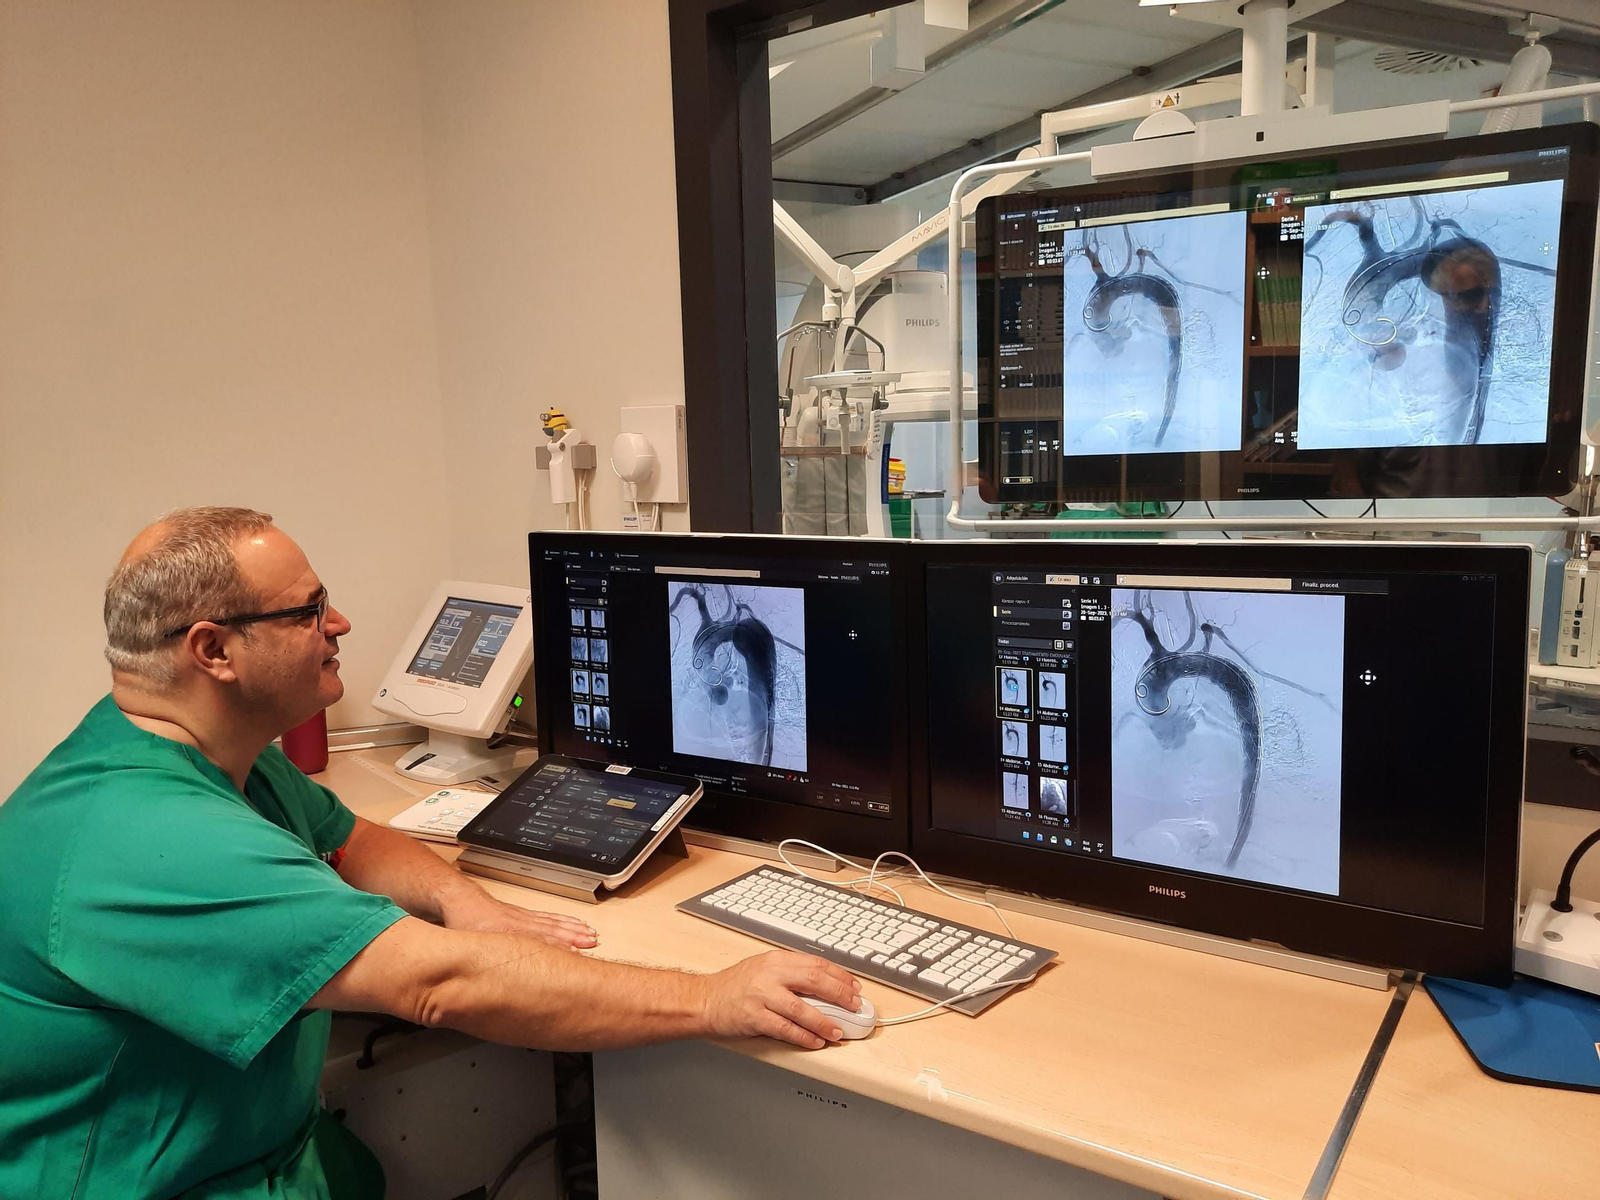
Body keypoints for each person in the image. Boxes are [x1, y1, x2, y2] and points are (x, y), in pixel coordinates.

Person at [0, 507, 860, 1200]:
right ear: (212, 650)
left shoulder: (199, 756)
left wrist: (466, 904)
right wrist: (712, 997)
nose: (339, 623)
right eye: (306, 611)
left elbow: (350, 837)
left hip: (249, 1146)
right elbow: (438, 985)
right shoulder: (151, 837)